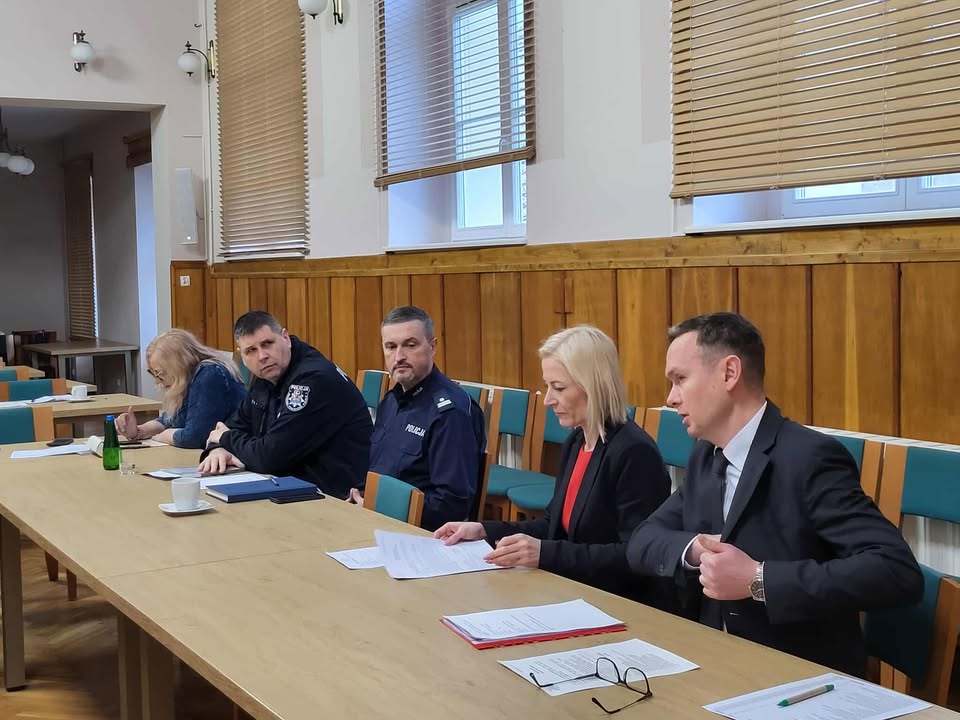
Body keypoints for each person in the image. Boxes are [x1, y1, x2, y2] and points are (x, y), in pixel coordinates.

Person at [626, 312, 923, 677]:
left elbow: (895, 570)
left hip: (797, 675)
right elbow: (642, 540)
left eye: (680, 379)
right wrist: (697, 550)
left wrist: (757, 579)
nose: (671, 398)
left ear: (729, 373)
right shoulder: (707, 454)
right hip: (714, 661)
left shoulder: (809, 457)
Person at [435, 325, 674, 609]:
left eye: (558, 388)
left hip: (615, 603)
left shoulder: (634, 452)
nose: (548, 400)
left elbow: (636, 556)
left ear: (593, 385)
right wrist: (485, 531)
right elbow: (553, 525)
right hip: (574, 590)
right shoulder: (576, 441)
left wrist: (544, 554)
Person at [199, 311, 372, 498]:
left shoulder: (313, 379)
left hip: (335, 497)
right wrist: (218, 449)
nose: (262, 356)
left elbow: (268, 457)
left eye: (267, 344)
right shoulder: (267, 375)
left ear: (285, 338)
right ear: (242, 355)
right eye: (251, 351)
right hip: (290, 486)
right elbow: (234, 426)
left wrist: (225, 439)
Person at [353, 306, 485, 531]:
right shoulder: (391, 400)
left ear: (432, 347)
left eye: (410, 345)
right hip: (375, 520)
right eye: (391, 347)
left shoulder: (450, 413)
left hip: (419, 533)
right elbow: (379, 469)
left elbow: (451, 504)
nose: (399, 357)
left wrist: (380, 506)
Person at [114, 329, 245, 449]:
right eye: (154, 374)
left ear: (177, 365)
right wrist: (138, 431)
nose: (158, 381)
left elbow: (194, 438)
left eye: (160, 373)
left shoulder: (209, 375)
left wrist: (166, 436)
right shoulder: (190, 377)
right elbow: (169, 420)